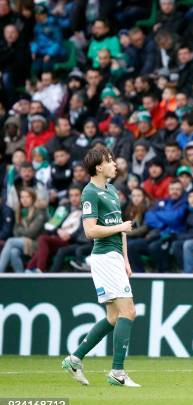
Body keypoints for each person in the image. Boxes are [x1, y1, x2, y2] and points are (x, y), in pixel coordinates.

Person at [62, 146, 139, 387]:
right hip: (104, 257)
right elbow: (90, 230)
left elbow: (121, 226)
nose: (115, 164)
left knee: (114, 316)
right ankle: (117, 372)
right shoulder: (90, 193)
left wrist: (126, 260)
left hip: (115, 258)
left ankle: (75, 358)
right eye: (110, 161)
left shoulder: (112, 190)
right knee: (128, 313)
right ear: (98, 167)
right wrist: (120, 229)